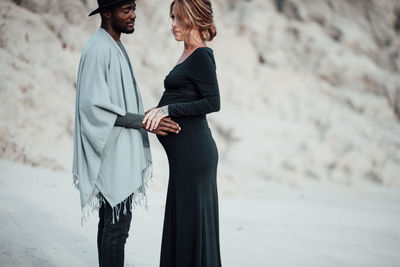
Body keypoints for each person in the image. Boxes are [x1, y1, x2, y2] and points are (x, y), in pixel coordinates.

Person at [72, 0, 180, 266]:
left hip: (116, 148)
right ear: (106, 13)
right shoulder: (99, 48)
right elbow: (93, 106)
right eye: (126, 11)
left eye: (134, 9)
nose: (133, 16)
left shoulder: (113, 44)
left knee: (111, 225)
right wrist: (142, 120)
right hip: (111, 152)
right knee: (116, 228)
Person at [142, 0, 222, 266]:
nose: (173, 24)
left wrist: (166, 110)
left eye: (179, 18)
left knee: (191, 225)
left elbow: (213, 102)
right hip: (185, 158)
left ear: (195, 19)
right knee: (183, 223)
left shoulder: (201, 55)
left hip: (195, 155)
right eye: (172, 17)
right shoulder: (187, 53)